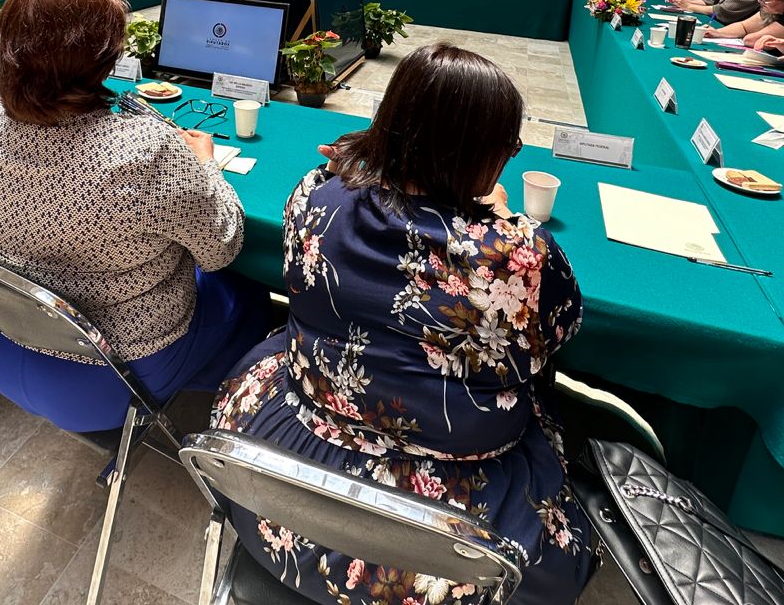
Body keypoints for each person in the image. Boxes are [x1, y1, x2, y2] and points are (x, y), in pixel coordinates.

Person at [211, 43, 592, 605]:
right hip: (445, 549)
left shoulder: (315, 193)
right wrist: (499, 219)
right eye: (508, 148)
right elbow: (559, 333)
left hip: (278, 493)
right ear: (480, 156)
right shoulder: (520, 256)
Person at [0, 0, 262, 431]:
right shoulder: (146, 150)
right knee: (250, 295)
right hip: (116, 374)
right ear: (106, 55)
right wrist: (205, 165)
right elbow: (221, 248)